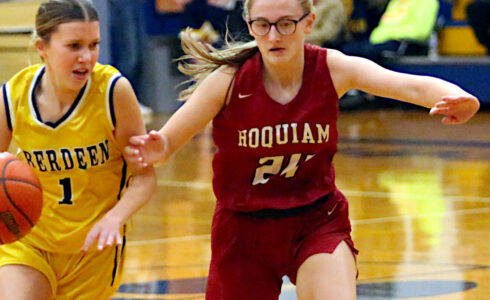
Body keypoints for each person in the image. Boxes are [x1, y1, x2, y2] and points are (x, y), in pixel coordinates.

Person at [124, 0, 480, 298]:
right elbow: (169, 140)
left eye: (285, 24)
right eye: (262, 25)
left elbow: (409, 86)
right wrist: (158, 147)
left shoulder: (331, 67)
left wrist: (457, 97)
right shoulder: (230, 80)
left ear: (309, 22)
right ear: (249, 25)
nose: (274, 35)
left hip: (315, 219)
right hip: (243, 230)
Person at [0, 0, 156, 299]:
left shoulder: (113, 92)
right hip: (27, 239)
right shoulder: (12, 96)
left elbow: (144, 176)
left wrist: (115, 218)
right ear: (41, 47)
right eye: (74, 46)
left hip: (91, 248)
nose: (87, 56)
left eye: (93, 44)